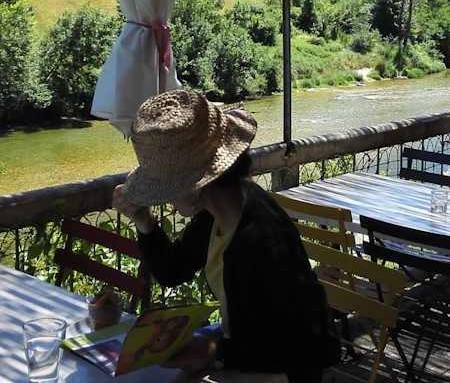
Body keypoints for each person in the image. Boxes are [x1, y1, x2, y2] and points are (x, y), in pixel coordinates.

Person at [112, 90, 339, 381]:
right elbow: (173, 270)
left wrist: (214, 352)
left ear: (196, 186)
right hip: (244, 352)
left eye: (165, 189)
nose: (165, 199)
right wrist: (144, 222)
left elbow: (304, 343)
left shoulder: (259, 238)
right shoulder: (220, 210)